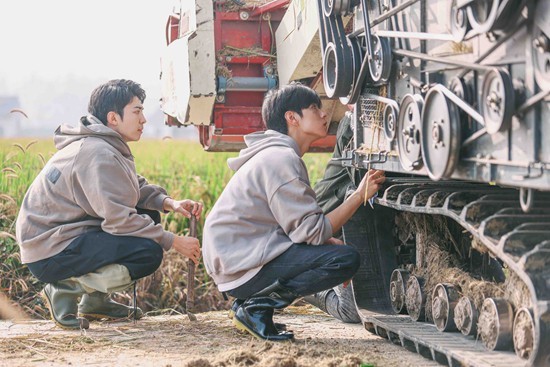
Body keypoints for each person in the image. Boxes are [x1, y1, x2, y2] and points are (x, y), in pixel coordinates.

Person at [202, 82, 385, 340]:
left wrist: (323, 239)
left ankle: (249, 306)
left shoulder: (276, 155)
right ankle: (256, 307)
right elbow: (314, 232)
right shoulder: (281, 159)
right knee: (344, 259)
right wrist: (359, 195)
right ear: (292, 118)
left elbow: (302, 230)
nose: (324, 114)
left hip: (237, 259)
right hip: (241, 263)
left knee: (333, 250)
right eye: (313, 108)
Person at [15, 79, 202, 330]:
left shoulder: (105, 145)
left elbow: (129, 189)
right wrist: (173, 241)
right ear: (113, 118)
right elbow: (119, 221)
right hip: (50, 251)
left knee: (149, 216)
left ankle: (95, 303)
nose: (144, 119)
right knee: (147, 252)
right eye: (137, 111)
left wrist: (169, 203)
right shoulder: (98, 153)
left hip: (61, 239)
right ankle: (65, 290)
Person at [304, 110, 361, 324]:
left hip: (328, 235)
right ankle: (305, 289)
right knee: (350, 311)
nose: (324, 114)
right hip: (321, 235)